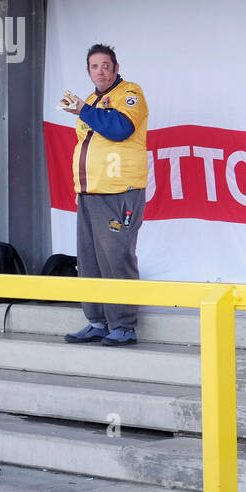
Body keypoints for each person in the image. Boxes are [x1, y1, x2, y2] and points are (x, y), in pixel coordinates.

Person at [60, 43, 148, 346]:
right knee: (89, 261)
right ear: (88, 71)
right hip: (89, 193)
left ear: (116, 67)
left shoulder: (129, 93)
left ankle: (124, 326)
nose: (101, 70)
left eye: (106, 65)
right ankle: (97, 321)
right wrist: (80, 188)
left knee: (117, 257)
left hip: (119, 191)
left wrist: (84, 110)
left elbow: (120, 128)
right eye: (95, 66)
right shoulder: (89, 100)